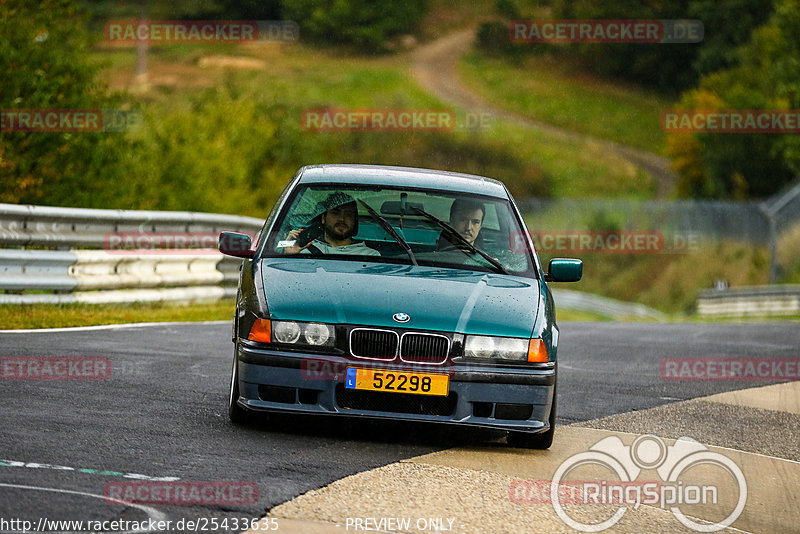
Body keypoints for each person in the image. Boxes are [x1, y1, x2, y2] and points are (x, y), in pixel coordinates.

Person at [282, 192, 380, 256]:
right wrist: (287, 253)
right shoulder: (304, 250)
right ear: (323, 218)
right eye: (335, 213)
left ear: (355, 221)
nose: (342, 218)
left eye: (348, 214)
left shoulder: (370, 256)